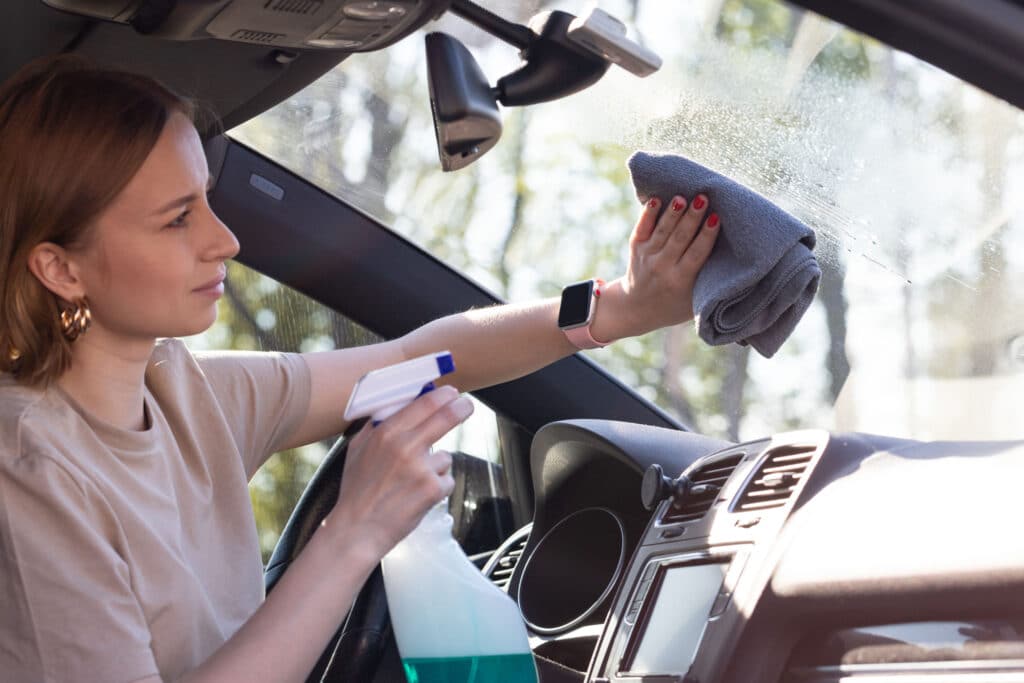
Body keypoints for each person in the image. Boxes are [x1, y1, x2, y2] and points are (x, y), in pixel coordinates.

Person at [0, 55, 720, 683]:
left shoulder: (185, 389)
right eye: (177, 217)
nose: (225, 238)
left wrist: (619, 306)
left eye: (206, 200)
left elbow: (425, 359)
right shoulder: (30, 470)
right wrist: (355, 530)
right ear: (60, 267)